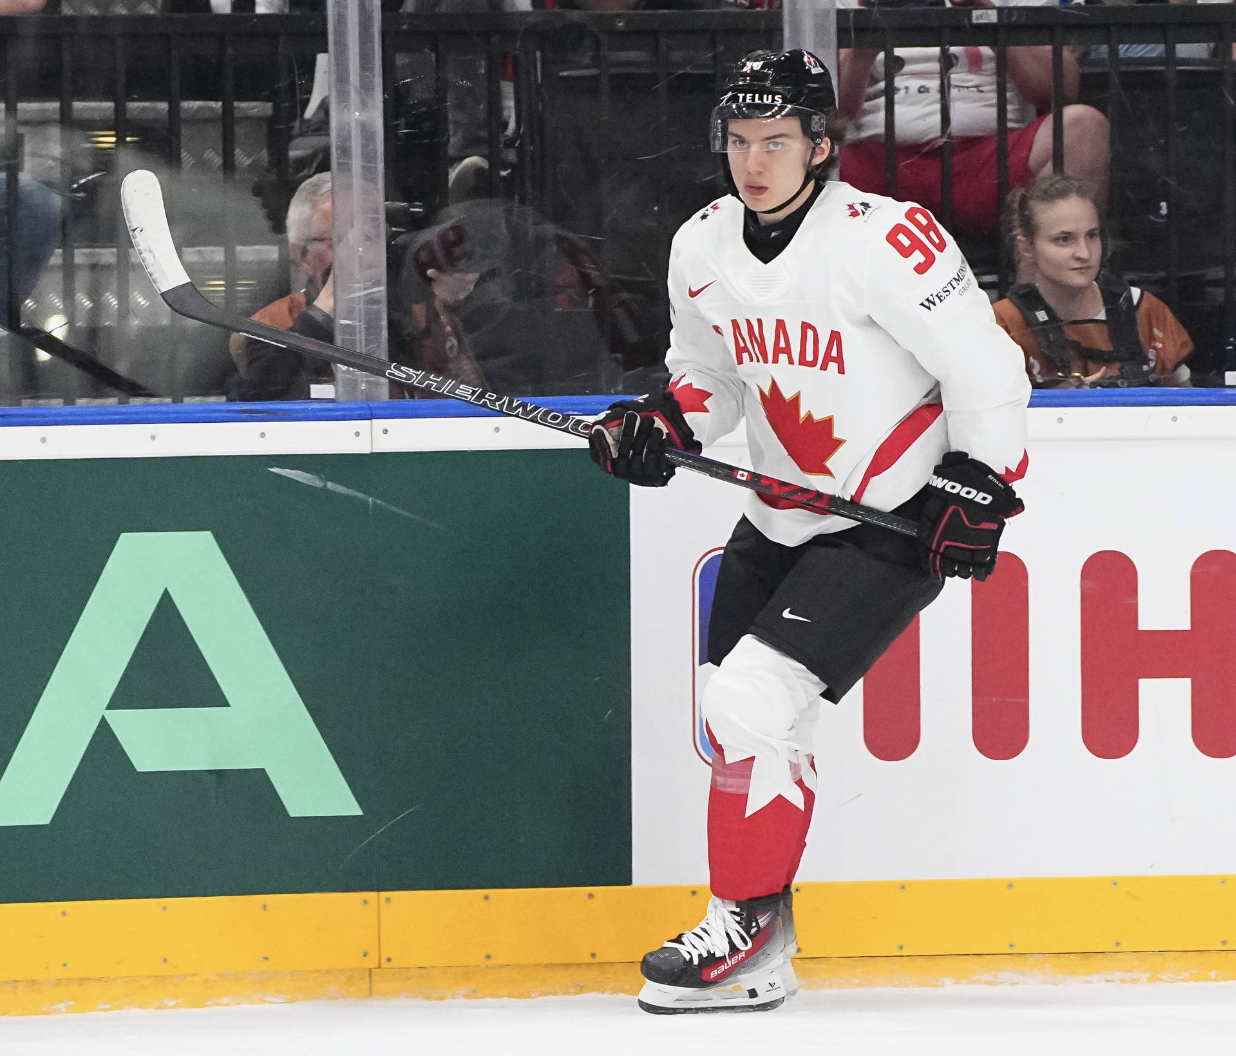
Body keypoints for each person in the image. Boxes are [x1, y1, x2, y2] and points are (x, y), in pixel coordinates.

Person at [588, 49, 1030, 1014]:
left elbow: (986, 368)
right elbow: (708, 377)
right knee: (748, 724)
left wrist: (984, 483)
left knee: (752, 699)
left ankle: (738, 927)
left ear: (821, 145)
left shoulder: (888, 239)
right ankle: (762, 942)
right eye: (740, 142)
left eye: (777, 141)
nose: (755, 162)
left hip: (888, 516)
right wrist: (661, 424)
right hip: (778, 510)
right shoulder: (702, 245)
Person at [836, 0, 1111, 235]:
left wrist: (985, 16)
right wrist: (864, 43)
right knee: (803, 142)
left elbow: (1059, 91)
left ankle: (1042, 291)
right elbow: (834, 113)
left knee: (1084, 127)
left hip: (993, 163)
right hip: (876, 169)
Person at [993, 174, 1192, 388]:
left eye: (1092, 235)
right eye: (1064, 239)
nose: (1084, 253)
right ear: (1027, 248)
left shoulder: (1144, 310)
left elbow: (1190, 411)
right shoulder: (1001, 323)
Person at [229, 171, 336, 400]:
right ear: (303, 255)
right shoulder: (270, 326)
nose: (361, 253)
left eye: (370, 237)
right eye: (341, 241)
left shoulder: (412, 312)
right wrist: (319, 318)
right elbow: (262, 410)